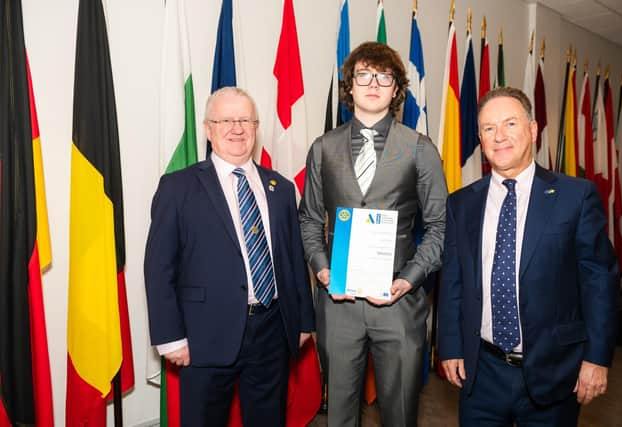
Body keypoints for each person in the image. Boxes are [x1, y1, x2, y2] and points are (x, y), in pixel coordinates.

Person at [438, 86, 619, 426]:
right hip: (482, 374)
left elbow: (598, 283)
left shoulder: (575, 197)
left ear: (533, 130)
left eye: (510, 124)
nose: (499, 136)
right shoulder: (461, 203)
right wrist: (449, 346)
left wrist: (597, 358)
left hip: (555, 371)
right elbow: (453, 280)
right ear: (480, 137)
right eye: (489, 128)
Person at [144, 87, 314, 427]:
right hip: (204, 334)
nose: (237, 129)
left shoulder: (279, 188)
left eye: (245, 120)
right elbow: (159, 267)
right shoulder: (178, 187)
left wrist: (304, 321)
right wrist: (169, 337)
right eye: (226, 120)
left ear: (256, 126)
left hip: (272, 330)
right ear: (208, 129)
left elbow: (294, 259)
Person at [299, 41, 447, 426]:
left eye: (384, 76)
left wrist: (409, 280)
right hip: (338, 304)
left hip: (400, 306)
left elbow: (439, 227)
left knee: (399, 413)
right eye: (364, 75)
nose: (373, 83)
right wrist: (321, 269)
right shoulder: (323, 148)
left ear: (397, 89)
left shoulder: (420, 148)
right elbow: (310, 220)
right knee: (340, 416)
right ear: (349, 85)